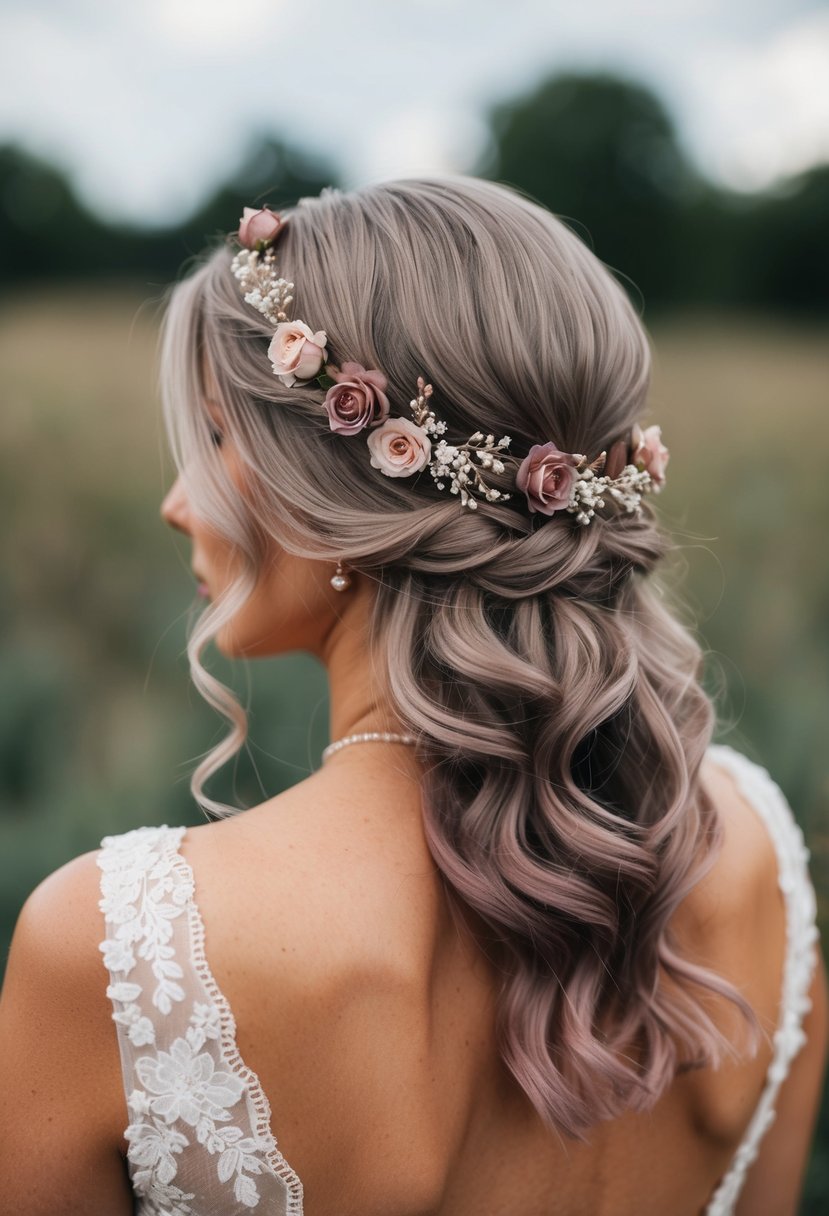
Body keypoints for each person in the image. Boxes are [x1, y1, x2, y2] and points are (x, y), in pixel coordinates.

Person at [0, 175, 825, 1216]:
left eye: (217, 436)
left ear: (355, 481)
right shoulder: (753, 849)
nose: (178, 504)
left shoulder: (125, 947)